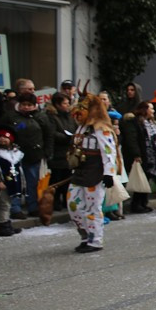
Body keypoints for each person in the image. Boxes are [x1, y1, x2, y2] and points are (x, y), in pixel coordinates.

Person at [66, 91, 118, 252]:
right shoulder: (81, 127)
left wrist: (109, 173)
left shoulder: (101, 129)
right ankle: (85, 235)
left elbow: (109, 151)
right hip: (80, 171)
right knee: (73, 205)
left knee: (93, 208)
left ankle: (95, 240)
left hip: (95, 173)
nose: (77, 113)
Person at [0, 91, 52, 220]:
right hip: (14, 156)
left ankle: (32, 206)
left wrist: (48, 152)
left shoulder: (41, 117)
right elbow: (2, 131)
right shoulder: (11, 117)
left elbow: (49, 135)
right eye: (24, 104)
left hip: (34, 154)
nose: (26, 107)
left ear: (35, 105)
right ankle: (15, 208)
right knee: (15, 182)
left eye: (29, 105)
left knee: (32, 182)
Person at [0, 128, 24, 237]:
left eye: (5, 137)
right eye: (0, 137)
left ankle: (8, 223)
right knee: (4, 204)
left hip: (12, 182)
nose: (2, 139)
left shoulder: (16, 153)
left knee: (9, 203)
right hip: (2, 183)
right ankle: (3, 225)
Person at [46, 92, 76, 208]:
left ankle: (66, 200)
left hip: (68, 152)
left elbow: (74, 127)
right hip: (57, 153)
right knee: (56, 179)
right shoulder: (52, 116)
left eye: (68, 103)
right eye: (65, 103)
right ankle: (55, 201)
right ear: (57, 104)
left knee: (67, 178)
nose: (67, 105)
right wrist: (67, 137)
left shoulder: (69, 116)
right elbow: (52, 133)